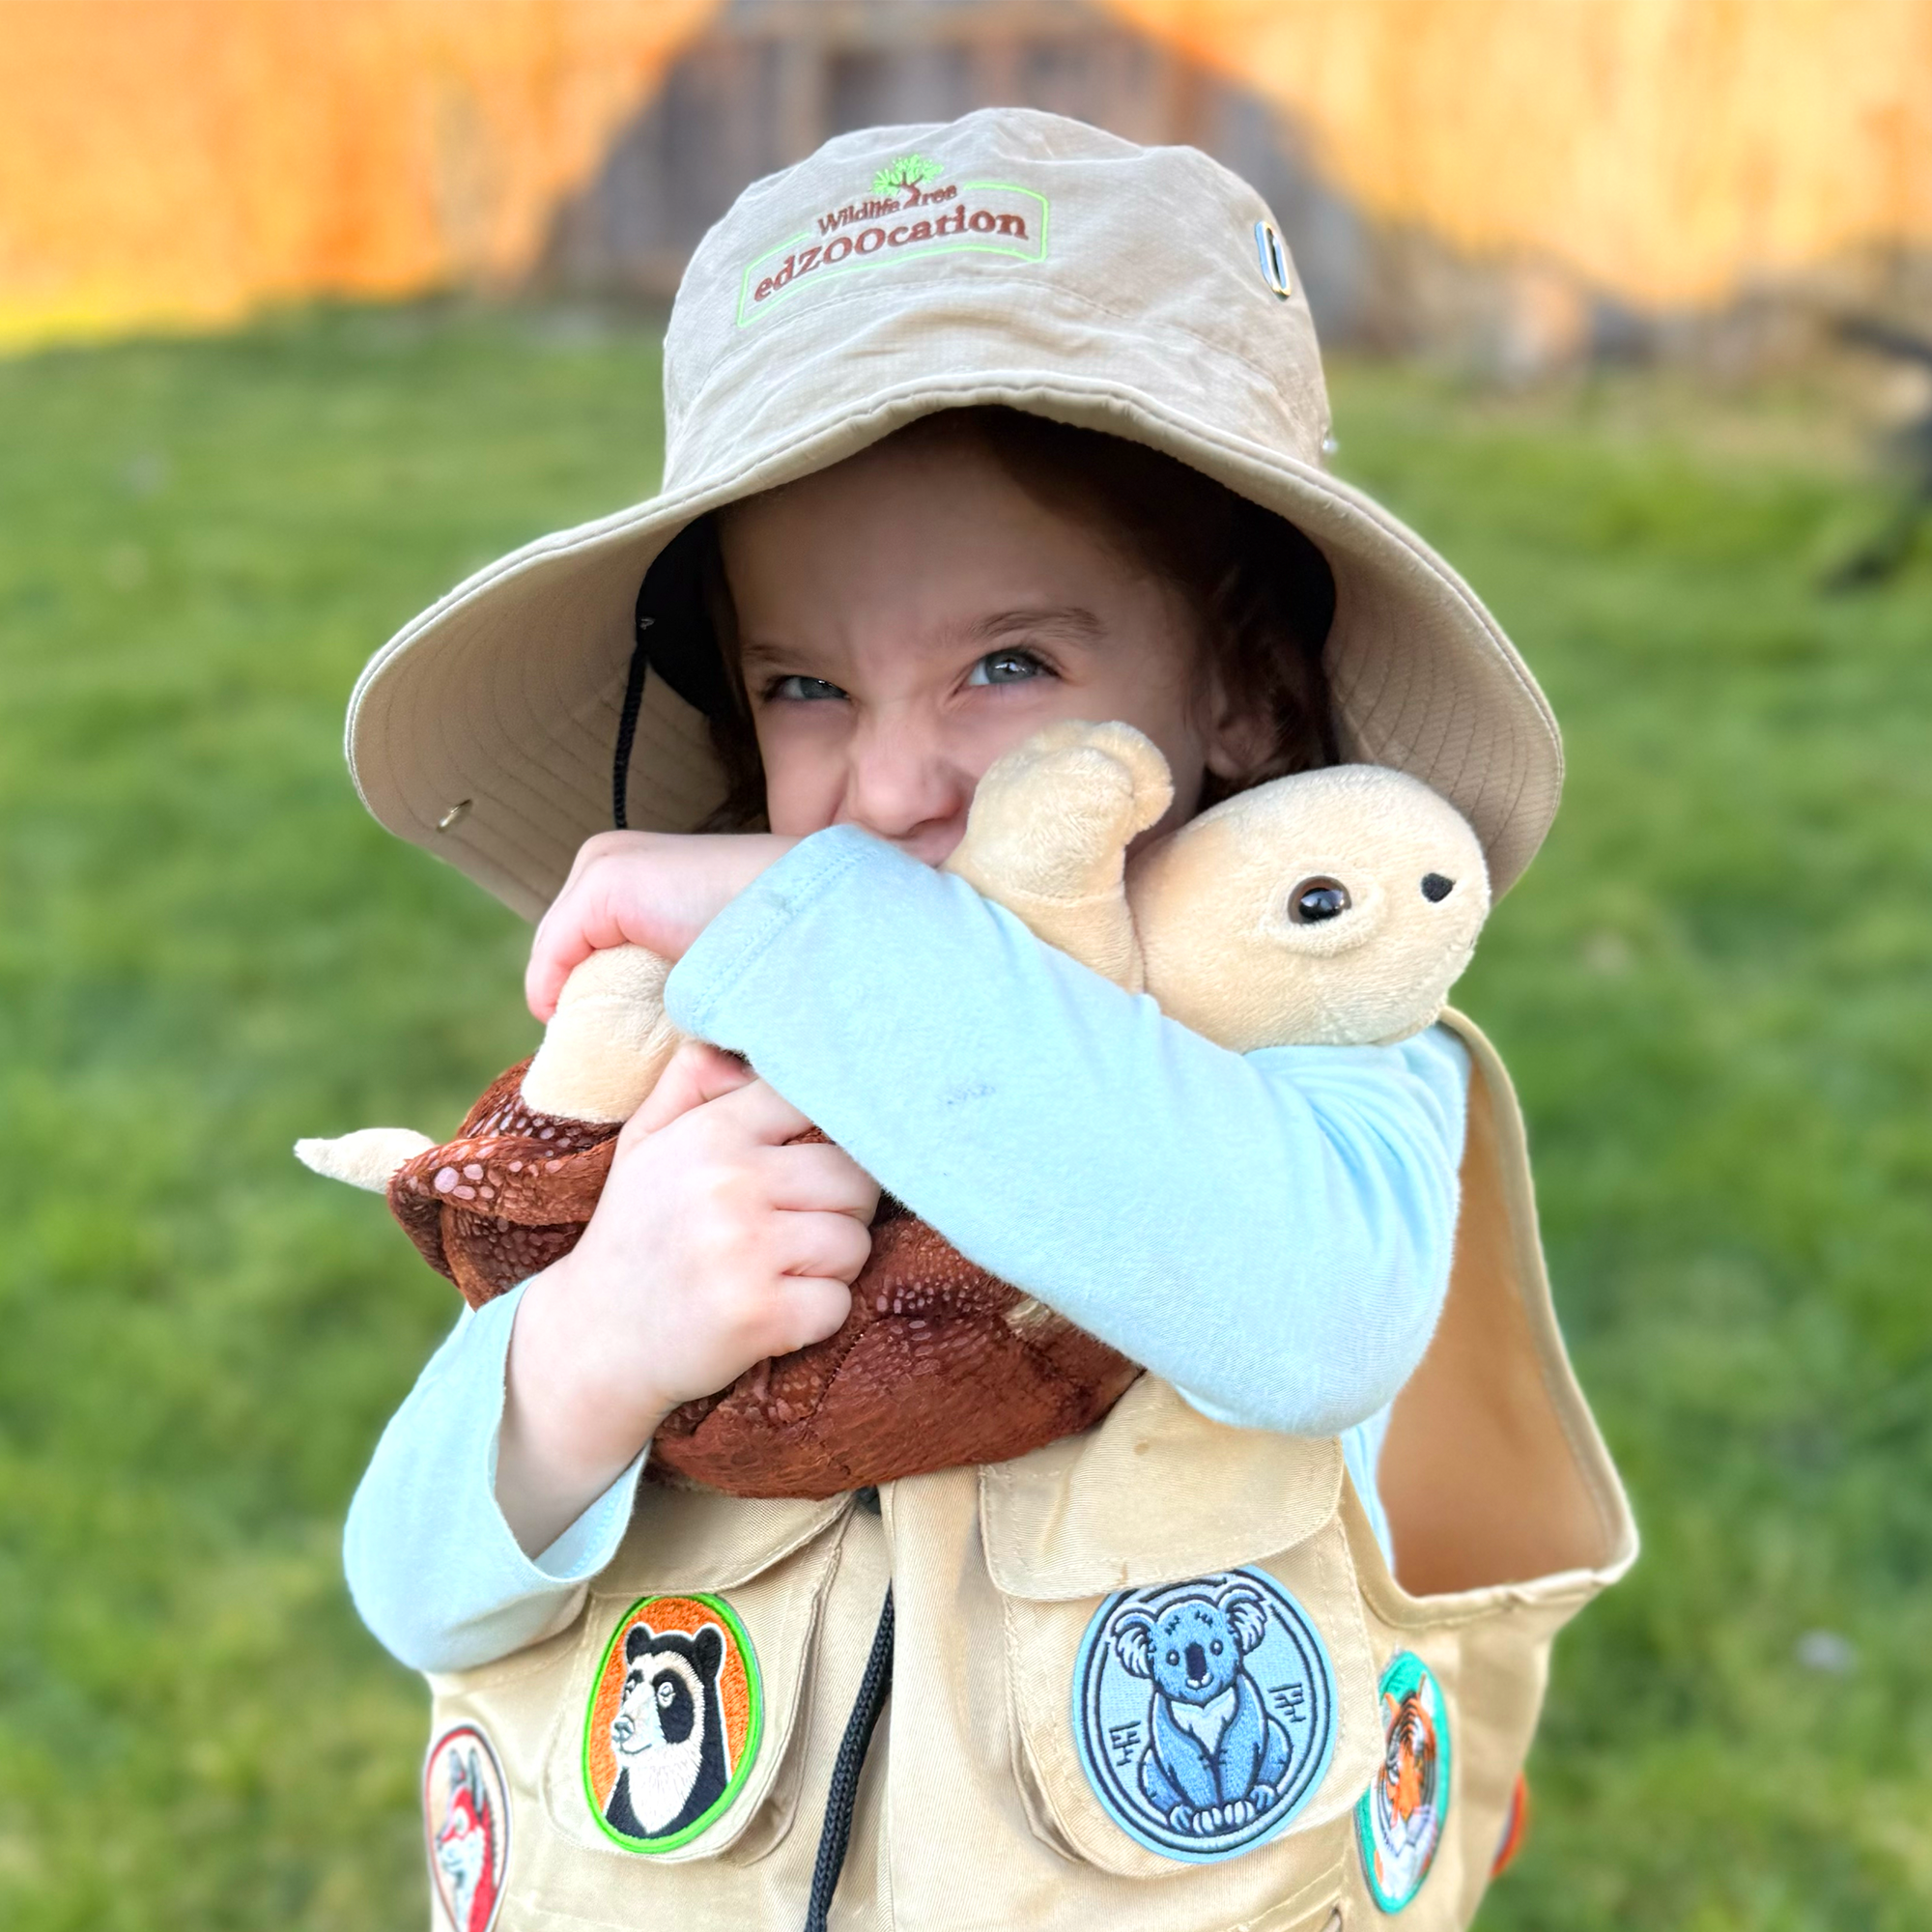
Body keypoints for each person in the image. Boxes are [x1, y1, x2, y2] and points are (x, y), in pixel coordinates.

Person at [340, 110, 1634, 1932]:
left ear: (1248, 695)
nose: (889, 787)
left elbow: (1311, 1317)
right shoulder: (696, 1102)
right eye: (805, 685)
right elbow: (415, 1594)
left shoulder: (1325, 1064)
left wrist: (825, 926)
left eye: (1008, 664)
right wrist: (594, 1344)